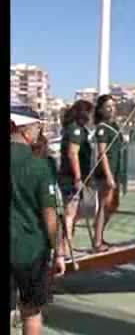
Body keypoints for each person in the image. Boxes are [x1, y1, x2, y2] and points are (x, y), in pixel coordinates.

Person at [11, 113, 65, 335]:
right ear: (26, 130)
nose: (39, 133)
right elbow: (50, 215)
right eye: (38, 128)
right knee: (32, 311)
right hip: (30, 249)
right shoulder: (40, 165)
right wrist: (59, 251)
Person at [58, 100, 94, 251]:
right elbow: (73, 154)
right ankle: (65, 246)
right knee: (70, 213)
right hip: (71, 178)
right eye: (90, 113)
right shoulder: (76, 130)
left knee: (74, 212)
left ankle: (66, 242)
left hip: (73, 176)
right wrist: (78, 178)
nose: (92, 116)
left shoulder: (76, 129)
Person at [93, 95, 124, 252]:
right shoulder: (102, 128)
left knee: (113, 205)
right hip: (106, 172)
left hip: (117, 170)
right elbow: (102, 153)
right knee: (104, 206)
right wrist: (109, 175)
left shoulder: (115, 126)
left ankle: (99, 235)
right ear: (100, 110)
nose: (112, 108)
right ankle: (97, 242)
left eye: (113, 105)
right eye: (107, 106)